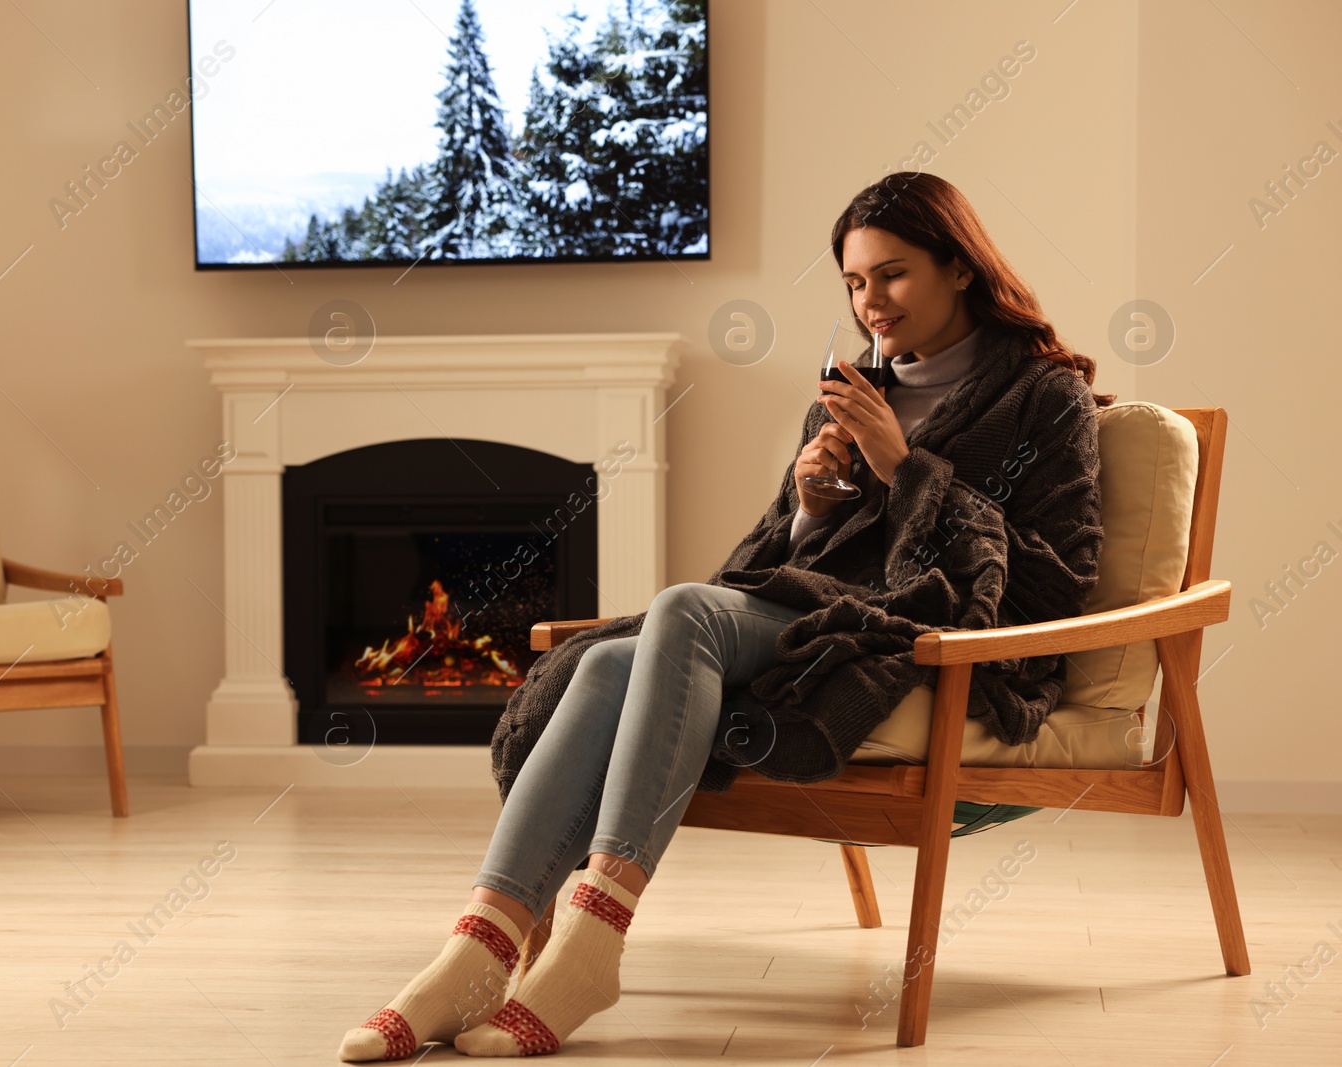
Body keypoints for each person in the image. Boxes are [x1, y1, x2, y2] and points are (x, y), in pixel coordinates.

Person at [339, 172, 1111, 1060]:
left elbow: (1057, 579)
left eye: (892, 275)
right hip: (820, 609)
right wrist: (813, 502)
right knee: (600, 664)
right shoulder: (861, 386)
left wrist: (903, 468)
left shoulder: (1044, 396)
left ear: (961, 268)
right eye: (855, 283)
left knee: (684, 614)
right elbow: (781, 555)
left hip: (920, 637)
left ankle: (592, 940)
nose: (872, 303)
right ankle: (476, 950)